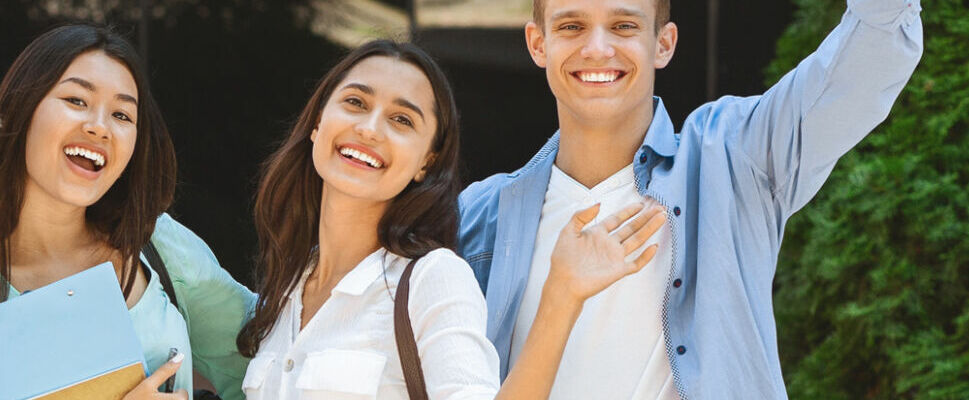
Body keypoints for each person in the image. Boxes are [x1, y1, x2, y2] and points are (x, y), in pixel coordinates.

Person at [455, 0, 924, 398]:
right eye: (571, 26)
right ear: (539, 43)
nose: (597, 48)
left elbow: (874, 46)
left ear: (664, 43)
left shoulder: (734, 158)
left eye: (624, 26)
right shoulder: (480, 216)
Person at [236, 39, 668, 400]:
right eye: (354, 102)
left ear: (428, 161)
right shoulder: (283, 293)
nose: (369, 128)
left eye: (401, 119)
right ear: (317, 123)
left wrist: (562, 295)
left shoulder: (431, 279)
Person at [0, 24, 257, 400]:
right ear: (22, 109)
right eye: (77, 100)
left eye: (122, 115)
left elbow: (273, 360)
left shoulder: (156, 243)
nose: (99, 127)